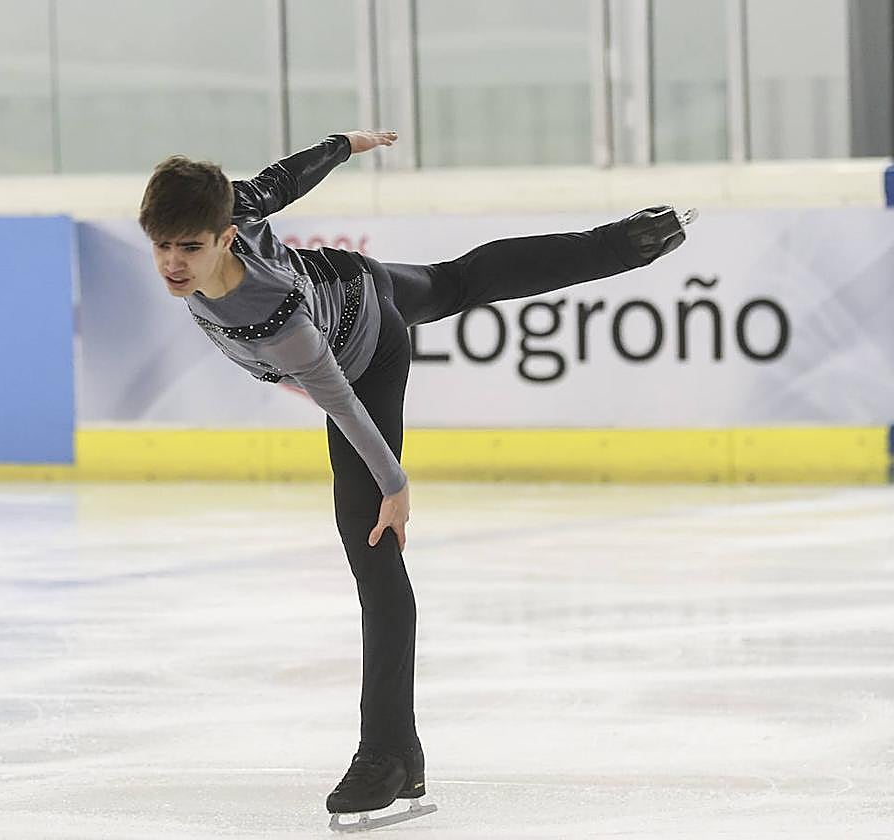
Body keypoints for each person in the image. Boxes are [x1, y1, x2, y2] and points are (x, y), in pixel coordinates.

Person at [136, 131, 692, 827]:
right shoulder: (230, 209)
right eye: (161, 246)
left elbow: (337, 398)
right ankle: (622, 244)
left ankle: (389, 753)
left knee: (372, 554)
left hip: (364, 348)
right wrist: (344, 143)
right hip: (352, 276)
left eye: (189, 248)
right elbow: (281, 180)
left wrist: (393, 486)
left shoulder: (272, 315)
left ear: (221, 239)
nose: (172, 264)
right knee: (459, 280)